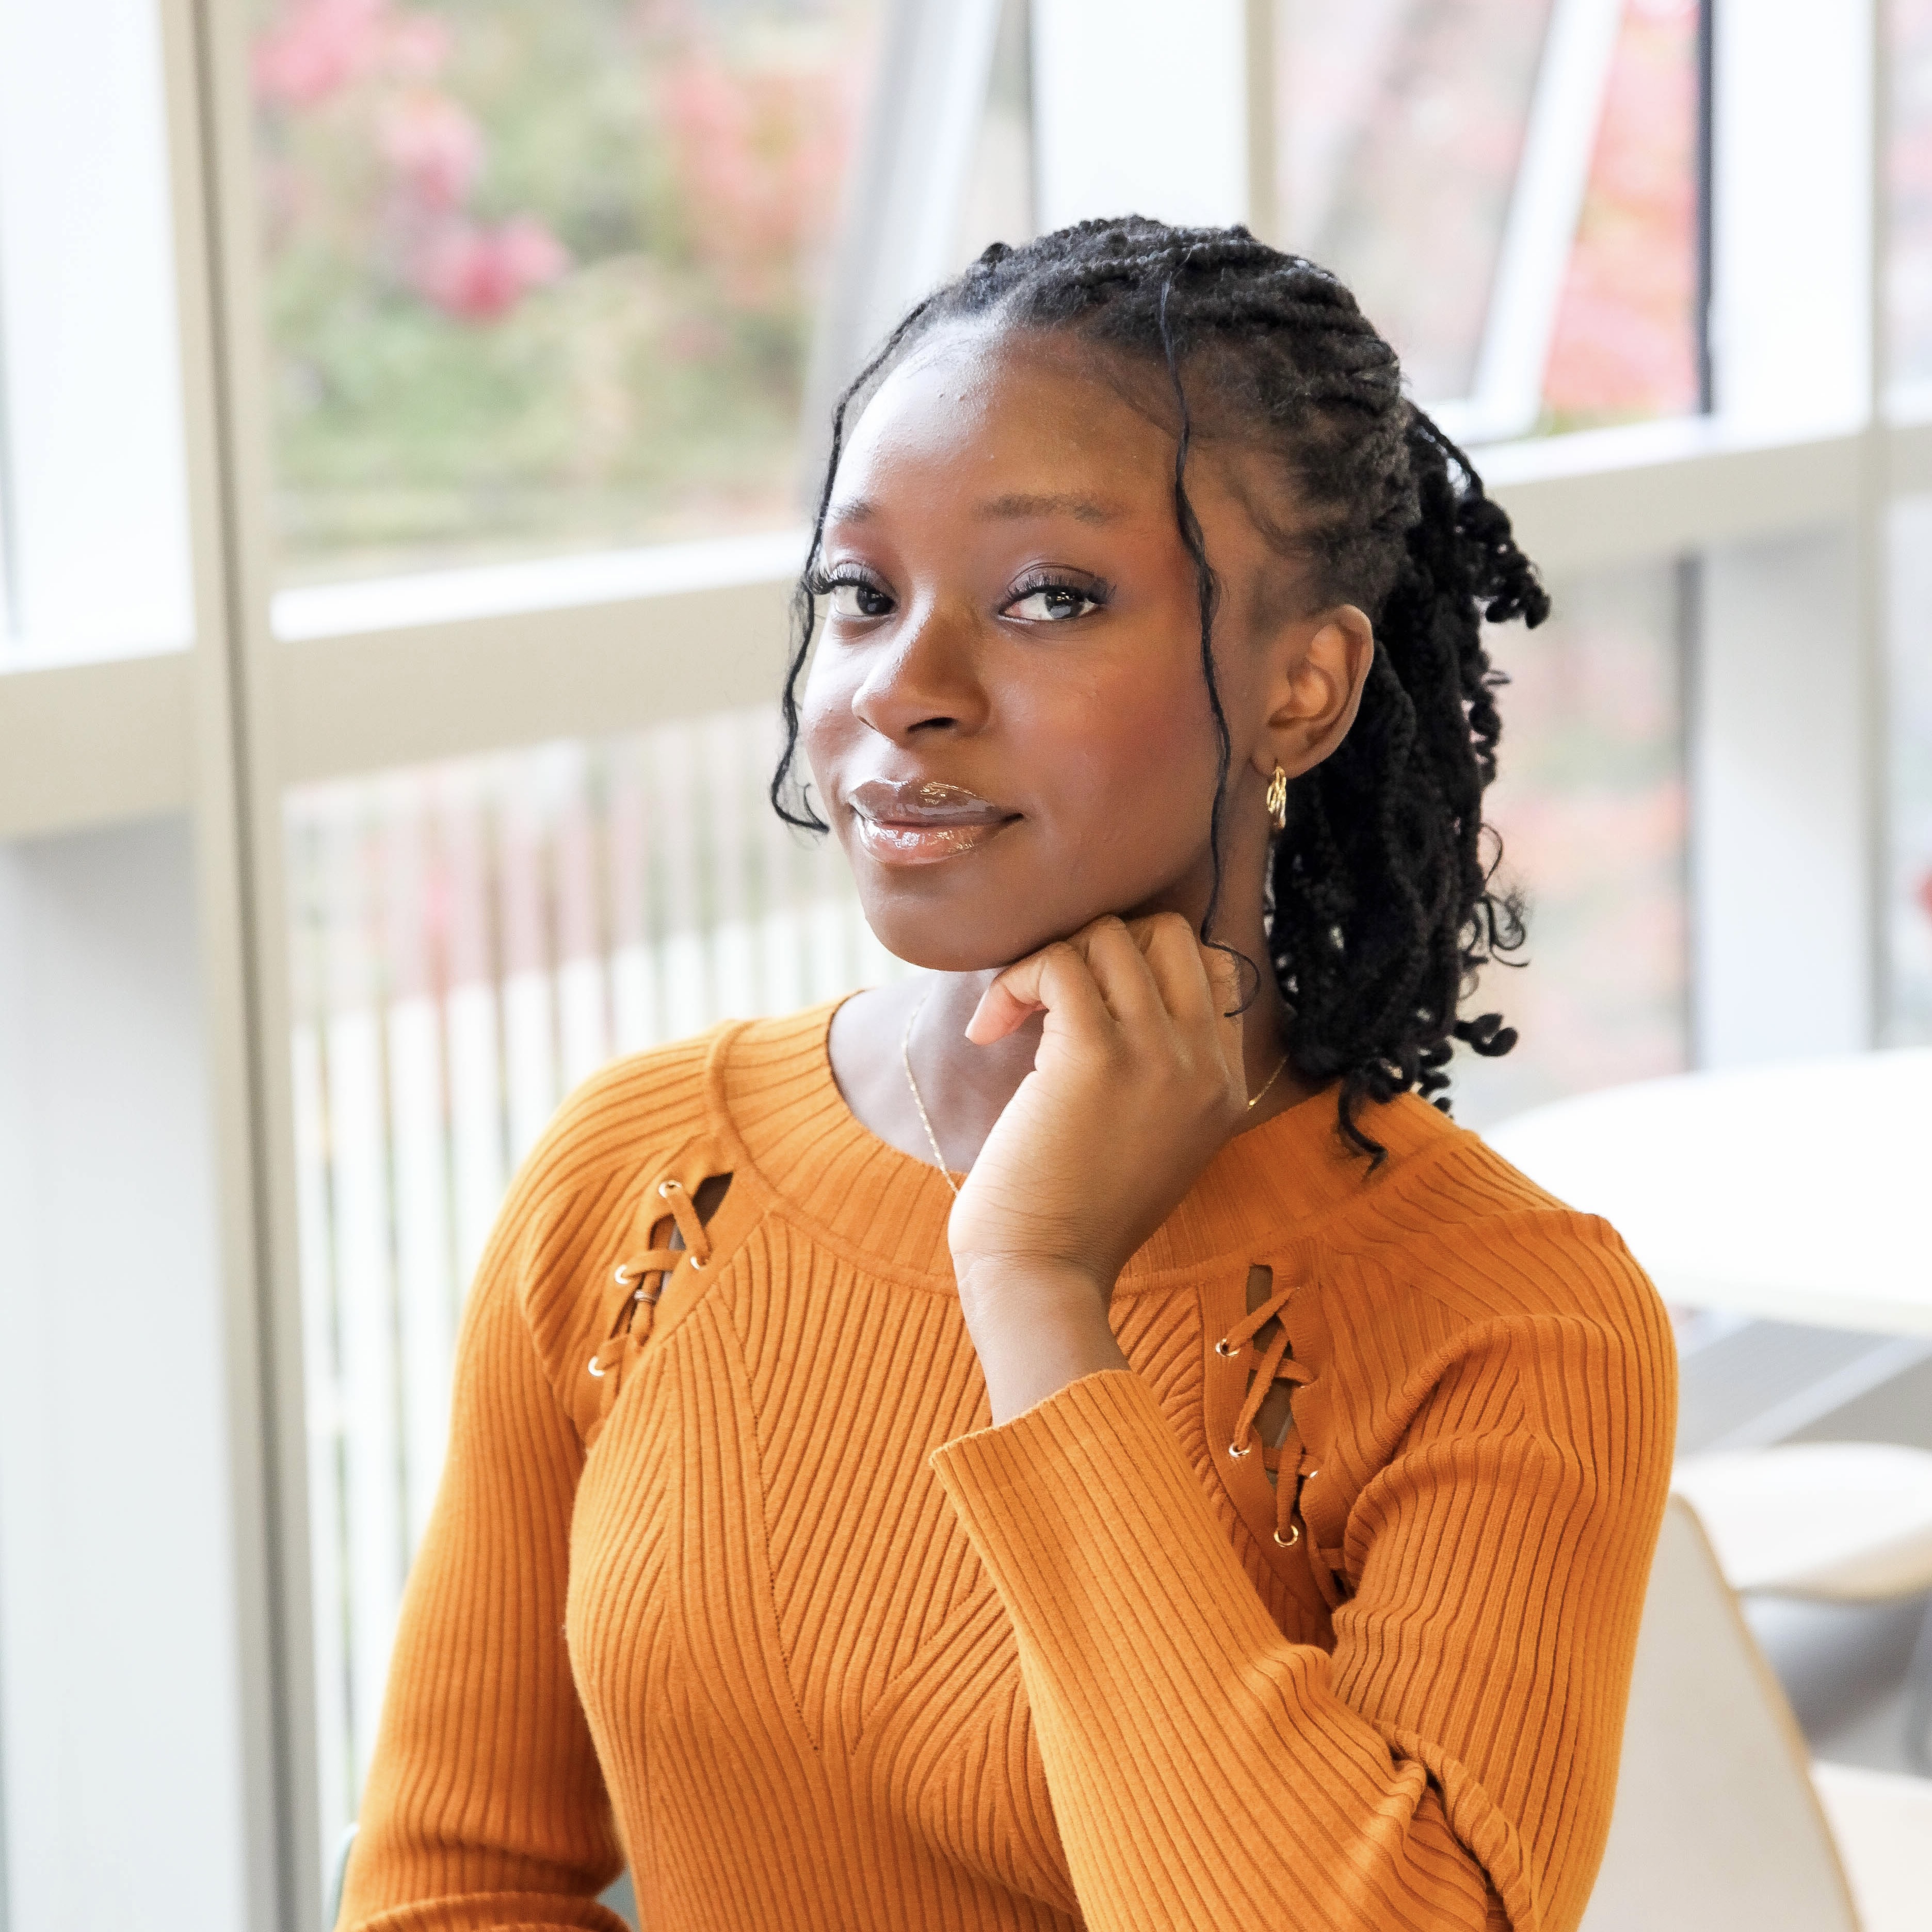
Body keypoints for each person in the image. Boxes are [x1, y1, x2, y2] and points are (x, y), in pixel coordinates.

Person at [338, 218, 1673, 1932]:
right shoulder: (642, 1179)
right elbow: (457, 1882)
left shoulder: (1512, 1322)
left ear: (1303, 686)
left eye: (1052, 598)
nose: (904, 690)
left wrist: (1039, 1288)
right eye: (860, 594)